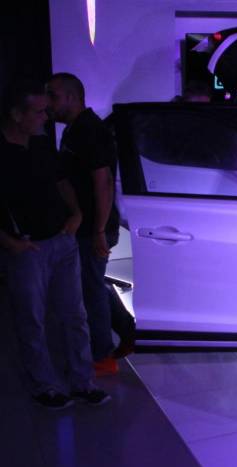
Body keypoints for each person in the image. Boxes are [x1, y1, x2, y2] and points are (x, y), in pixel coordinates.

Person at [0, 80, 110, 408]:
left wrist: (76, 214)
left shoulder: (41, 143)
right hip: (27, 246)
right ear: (17, 115)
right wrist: (8, 241)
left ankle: (82, 381)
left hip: (61, 239)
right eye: (38, 112)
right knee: (32, 319)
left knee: (74, 314)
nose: (45, 117)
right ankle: (44, 385)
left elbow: (61, 180)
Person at [46, 72, 126, 374]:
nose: (49, 102)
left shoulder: (89, 130)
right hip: (87, 226)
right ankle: (125, 334)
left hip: (93, 227)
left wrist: (98, 231)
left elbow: (103, 182)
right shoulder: (76, 129)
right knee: (92, 285)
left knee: (89, 289)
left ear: (71, 97)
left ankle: (102, 355)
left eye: (53, 95)